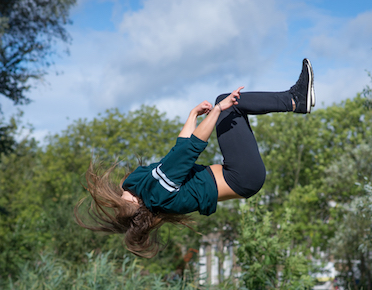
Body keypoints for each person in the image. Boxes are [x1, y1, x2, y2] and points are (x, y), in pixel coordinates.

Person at [75, 59, 315, 257]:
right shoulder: (158, 195)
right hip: (243, 176)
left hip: (236, 174)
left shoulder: (148, 190)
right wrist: (218, 110)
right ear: (136, 205)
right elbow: (191, 149)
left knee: (227, 105)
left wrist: (192, 116)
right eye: (123, 200)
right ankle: (295, 99)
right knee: (229, 105)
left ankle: (295, 99)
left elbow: (178, 152)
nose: (121, 194)